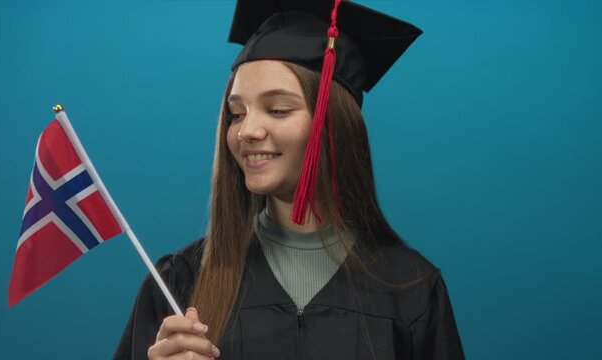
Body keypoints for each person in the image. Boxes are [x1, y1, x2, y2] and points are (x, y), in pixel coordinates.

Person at [114, 1, 465, 359]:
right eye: (236, 114)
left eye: (278, 109)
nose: (247, 130)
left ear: (334, 124)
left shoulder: (410, 288)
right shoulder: (181, 282)